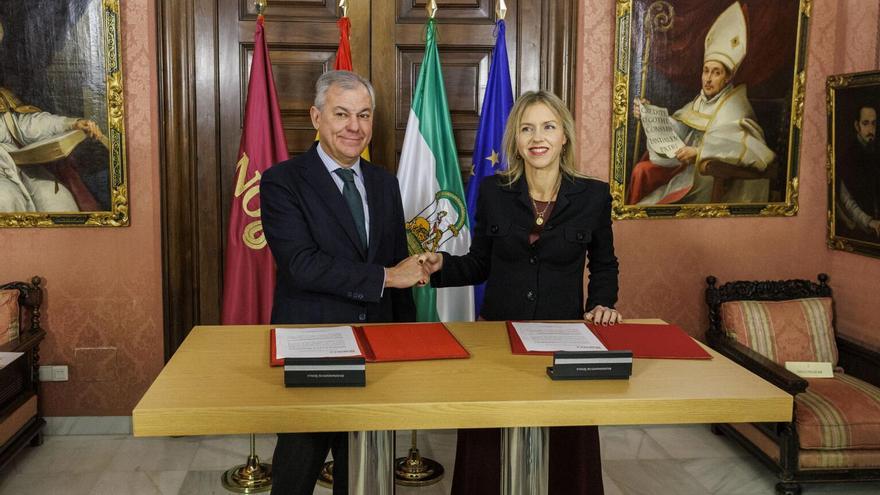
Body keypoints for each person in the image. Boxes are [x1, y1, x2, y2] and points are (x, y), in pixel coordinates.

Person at [421, 90, 621, 495]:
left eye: (548, 126)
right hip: (499, 333)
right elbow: (479, 263)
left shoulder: (593, 195)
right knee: (487, 439)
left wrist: (602, 303)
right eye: (527, 128)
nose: (537, 137)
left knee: (570, 439)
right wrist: (441, 265)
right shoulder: (495, 192)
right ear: (515, 139)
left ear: (564, 135)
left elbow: (603, 262)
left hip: (563, 335)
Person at [261, 70, 423, 495]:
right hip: (311, 346)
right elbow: (301, 264)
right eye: (342, 114)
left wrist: (406, 344)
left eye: (364, 115)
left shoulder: (386, 183)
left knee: (365, 476)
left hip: (376, 349)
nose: (355, 126)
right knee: (295, 473)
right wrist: (388, 276)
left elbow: (400, 273)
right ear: (316, 117)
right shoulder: (282, 181)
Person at [627, 1, 776, 205]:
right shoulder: (701, 100)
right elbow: (680, 130)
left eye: (716, 73)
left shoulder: (736, 107)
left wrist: (699, 153)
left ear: (727, 78)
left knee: (650, 205)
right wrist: (649, 113)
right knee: (641, 175)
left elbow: (750, 150)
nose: (708, 78)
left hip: (711, 179)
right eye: (706, 71)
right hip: (687, 170)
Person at [837, 105, 880, 239]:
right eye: (865, 123)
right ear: (857, 126)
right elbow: (846, 201)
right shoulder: (847, 157)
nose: (870, 129)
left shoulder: (876, 151)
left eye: (874, 124)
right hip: (863, 230)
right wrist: (869, 222)